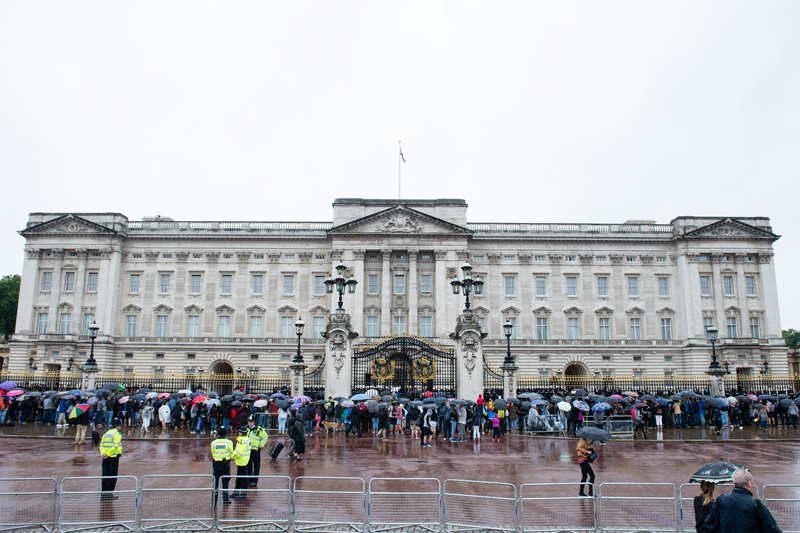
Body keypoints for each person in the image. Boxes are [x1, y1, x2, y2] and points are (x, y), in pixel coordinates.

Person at [704, 469, 781, 533]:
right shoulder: (755, 504)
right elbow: (771, 528)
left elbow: (710, 523)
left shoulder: (721, 499)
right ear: (749, 483)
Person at [100, 418, 123, 499]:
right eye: (120, 425)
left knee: (105, 475)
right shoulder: (117, 434)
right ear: (117, 426)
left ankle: (103, 493)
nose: (121, 427)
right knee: (112, 476)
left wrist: (103, 454)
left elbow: (102, 445)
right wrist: (108, 454)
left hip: (105, 458)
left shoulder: (106, 433)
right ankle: (109, 493)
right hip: (113, 457)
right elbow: (115, 446)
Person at [210, 427, 233, 506]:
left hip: (216, 464)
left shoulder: (214, 442)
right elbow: (231, 452)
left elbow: (212, 453)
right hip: (225, 464)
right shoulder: (229, 442)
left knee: (215, 483)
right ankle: (225, 500)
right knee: (225, 483)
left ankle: (214, 500)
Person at [245, 415, 268, 486]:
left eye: (251, 422)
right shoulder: (245, 429)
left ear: (254, 422)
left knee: (256, 466)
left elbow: (265, 437)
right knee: (248, 466)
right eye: (249, 422)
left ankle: (255, 480)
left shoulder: (259, 429)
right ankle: (249, 479)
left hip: (256, 450)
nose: (250, 423)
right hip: (247, 450)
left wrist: (261, 445)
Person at [231, 427, 251, 499]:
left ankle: (243, 494)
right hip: (243, 461)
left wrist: (230, 455)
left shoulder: (242, 441)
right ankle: (236, 493)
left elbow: (238, 452)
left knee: (242, 479)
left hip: (241, 461)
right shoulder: (246, 439)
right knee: (239, 478)